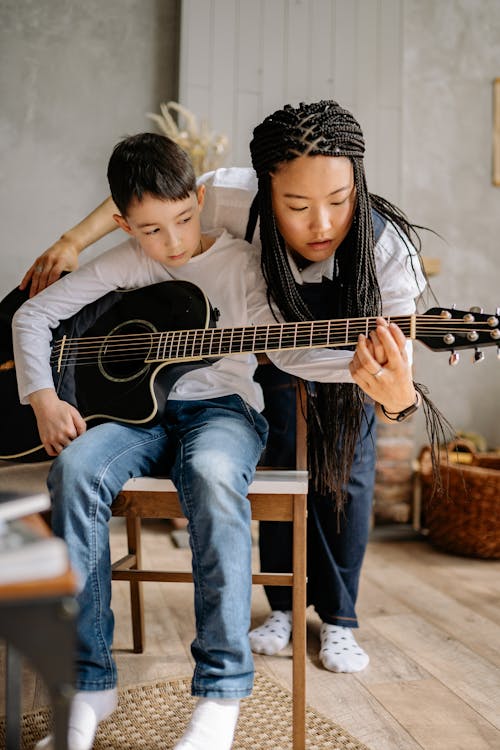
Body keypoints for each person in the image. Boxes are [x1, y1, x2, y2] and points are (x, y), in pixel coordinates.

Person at [20, 101, 429, 679]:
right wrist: (72, 241)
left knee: (347, 473)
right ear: (265, 190)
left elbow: (394, 376)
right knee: (279, 450)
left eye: (339, 202)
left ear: (357, 185)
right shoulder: (226, 198)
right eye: (296, 205)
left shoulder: (389, 252)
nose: (321, 225)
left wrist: (392, 391)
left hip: (343, 348)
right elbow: (146, 197)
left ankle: (339, 618)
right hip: (261, 334)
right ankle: (284, 608)